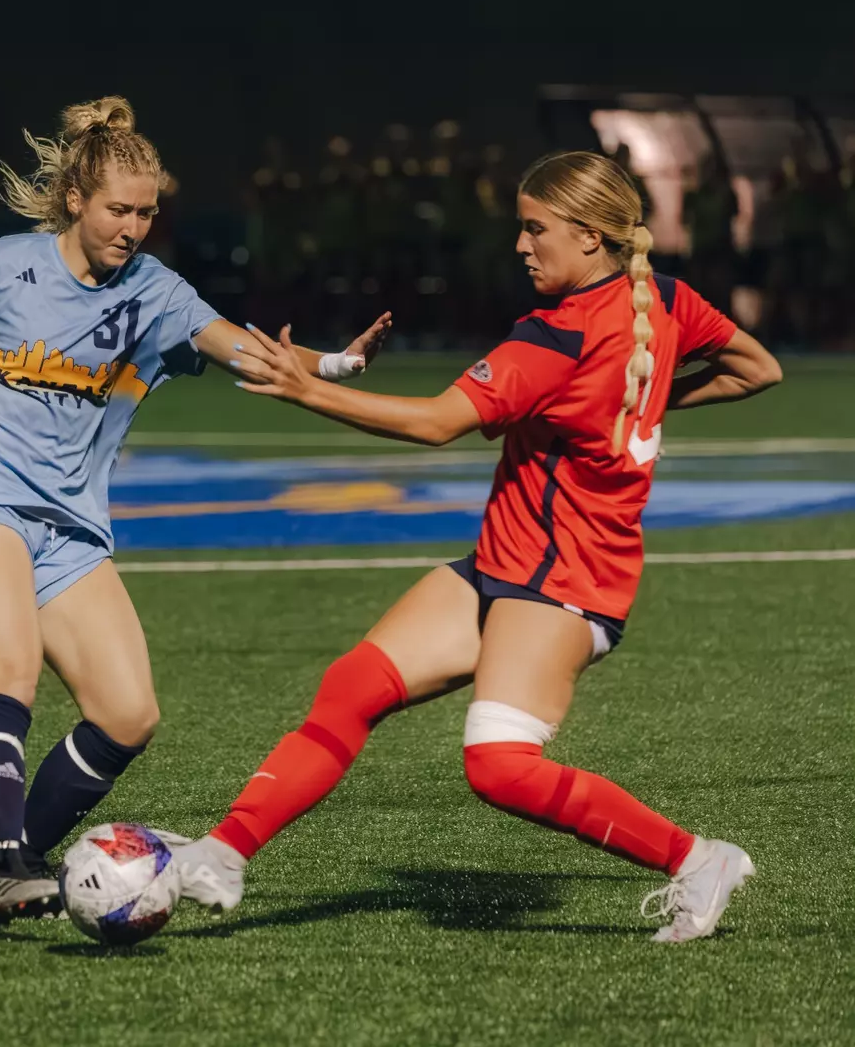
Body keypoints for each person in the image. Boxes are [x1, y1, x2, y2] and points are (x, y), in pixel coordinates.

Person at [163, 151, 783, 944]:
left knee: (499, 767)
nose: (522, 246)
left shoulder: (551, 338)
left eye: (536, 229)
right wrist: (633, 407)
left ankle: (699, 858)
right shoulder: (665, 299)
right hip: (503, 565)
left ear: (590, 236)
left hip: (563, 585)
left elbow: (434, 424)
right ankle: (223, 851)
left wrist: (309, 387)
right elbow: (756, 369)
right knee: (353, 685)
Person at [0, 96, 391, 928]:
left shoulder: (155, 293)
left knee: (128, 713)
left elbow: (245, 346)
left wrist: (336, 362)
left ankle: (14, 862)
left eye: (147, 212)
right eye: (118, 210)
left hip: (71, 527)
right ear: (74, 203)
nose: (133, 227)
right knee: (9, 674)